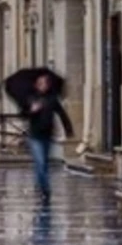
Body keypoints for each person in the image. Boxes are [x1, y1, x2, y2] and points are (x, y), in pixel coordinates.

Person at [24, 73, 74, 202]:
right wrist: (32, 111)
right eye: (40, 83)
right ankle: (46, 190)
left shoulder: (52, 99)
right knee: (40, 162)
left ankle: (40, 184)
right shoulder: (31, 97)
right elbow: (24, 114)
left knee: (43, 164)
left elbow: (62, 114)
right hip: (34, 136)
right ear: (36, 85)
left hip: (47, 135)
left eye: (45, 83)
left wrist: (68, 130)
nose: (43, 85)